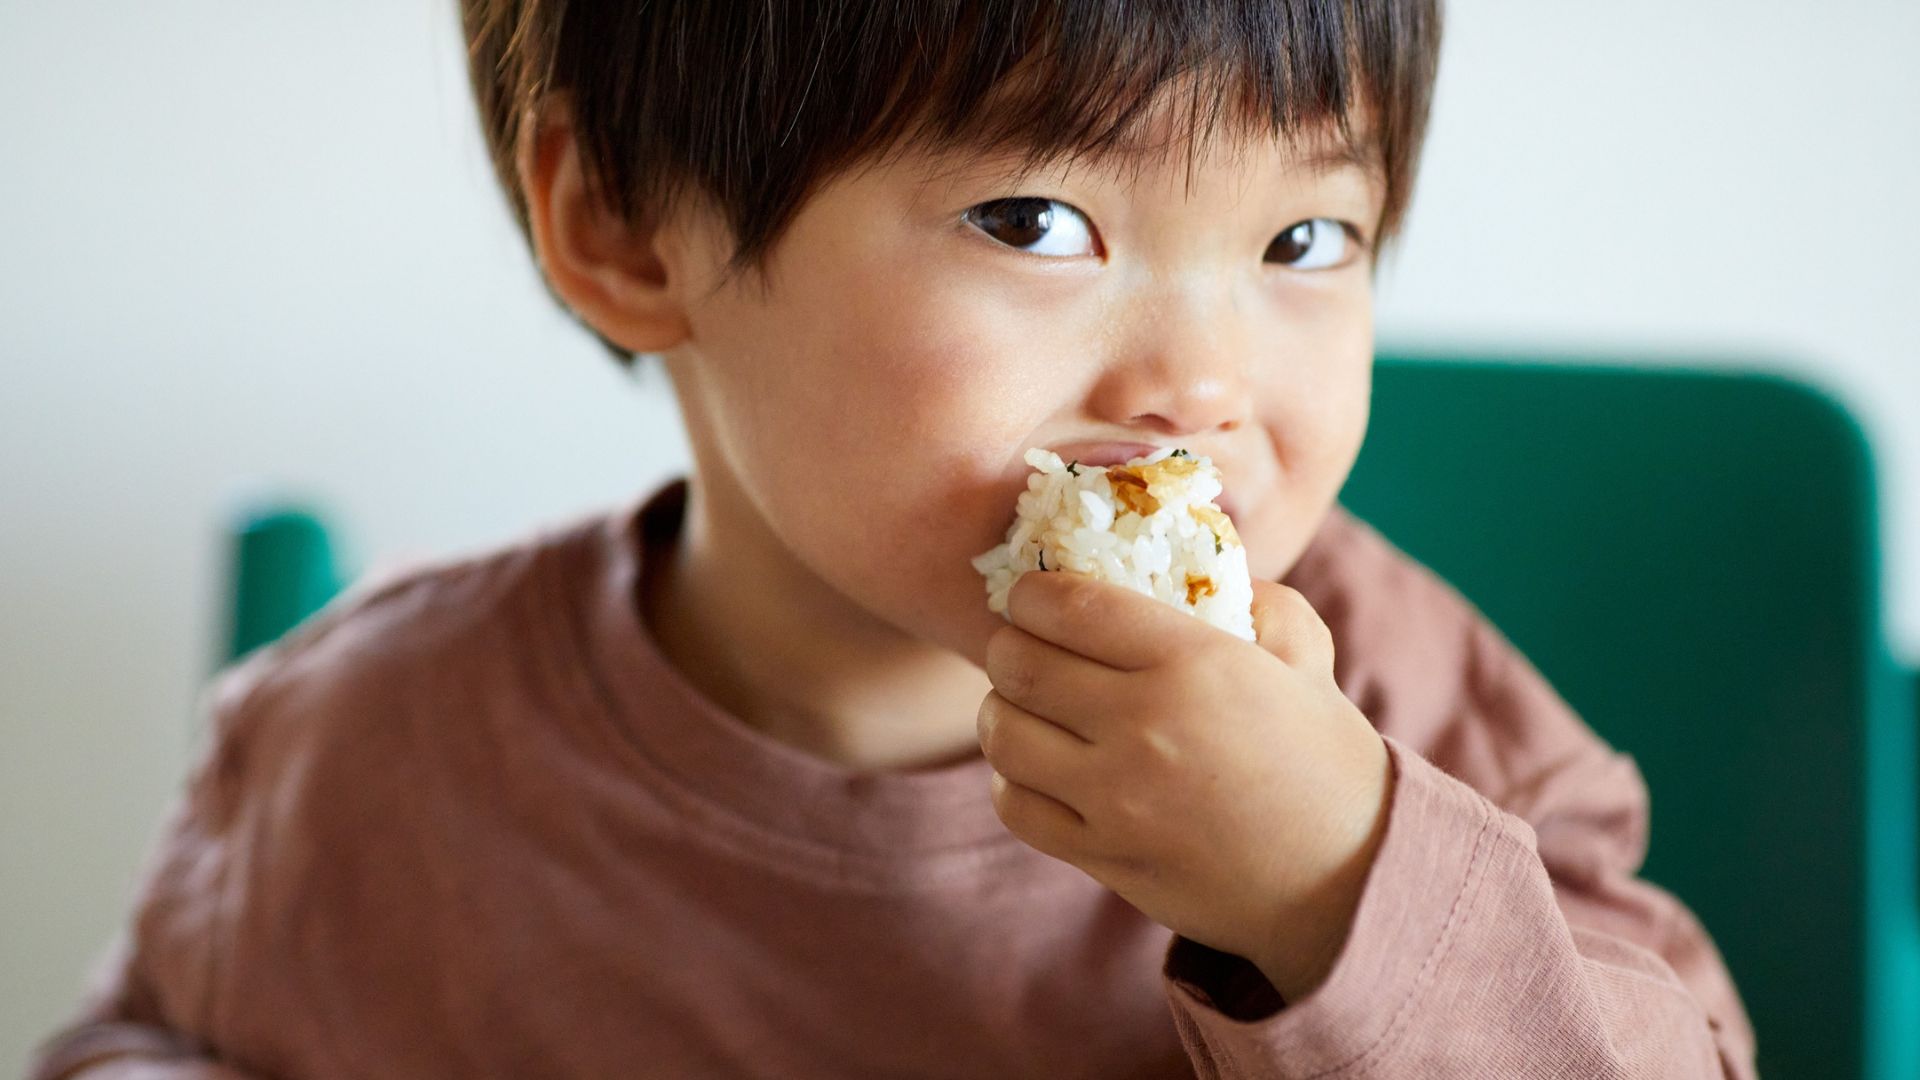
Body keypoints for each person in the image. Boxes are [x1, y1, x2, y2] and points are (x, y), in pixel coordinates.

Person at [26, 1, 1759, 1076]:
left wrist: (1331, 894)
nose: (1205, 381)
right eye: (1040, 219)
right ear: (625, 229)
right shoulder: (368, 749)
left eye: (1306, 240)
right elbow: (164, 1045)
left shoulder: (1409, 717)